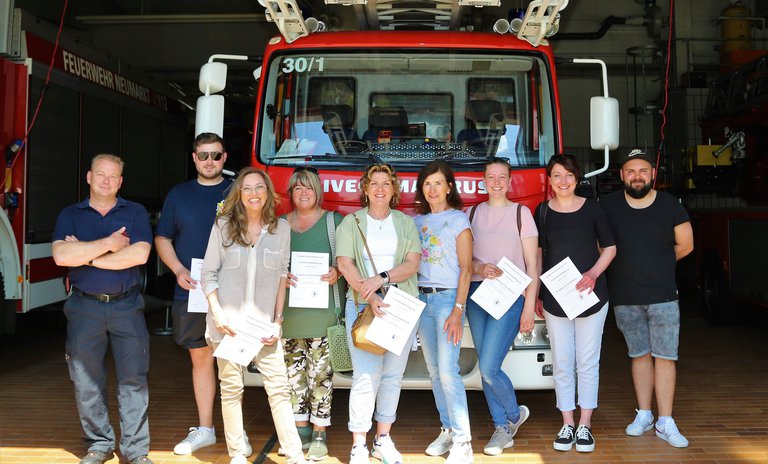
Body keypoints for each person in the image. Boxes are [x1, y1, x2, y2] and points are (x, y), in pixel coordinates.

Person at [200, 167, 308, 464]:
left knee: (279, 389)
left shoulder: (281, 229)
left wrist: (277, 321)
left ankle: (295, 455)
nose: (253, 194)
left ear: (268, 193)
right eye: (247, 188)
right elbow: (208, 274)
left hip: (263, 326)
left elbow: (282, 277)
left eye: (259, 188)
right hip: (229, 325)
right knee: (231, 389)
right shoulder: (222, 226)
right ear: (239, 193)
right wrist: (218, 314)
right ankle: (236, 454)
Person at [52, 154, 154, 464]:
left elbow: (139, 254)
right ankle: (99, 444)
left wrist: (86, 255)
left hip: (127, 306)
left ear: (121, 182)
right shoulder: (70, 214)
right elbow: (60, 256)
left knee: (134, 380)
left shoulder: (134, 212)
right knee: (85, 380)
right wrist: (110, 242)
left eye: (113, 176)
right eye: (101, 174)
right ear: (89, 177)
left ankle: (136, 453)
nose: (106, 181)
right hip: (84, 307)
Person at [601, 149, 694, 448]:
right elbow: (598, 245)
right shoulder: (609, 206)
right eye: (631, 171)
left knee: (666, 357)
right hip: (625, 296)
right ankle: (644, 414)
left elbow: (686, 245)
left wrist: (659, 264)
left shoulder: (670, 206)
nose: (637, 176)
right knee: (638, 355)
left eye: (643, 170)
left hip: (663, 295)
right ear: (621, 175)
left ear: (652, 174)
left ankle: (666, 421)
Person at [154, 132, 233, 456]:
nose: (210, 161)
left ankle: (235, 433)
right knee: (201, 358)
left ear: (225, 157)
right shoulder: (178, 195)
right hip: (192, 291)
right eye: (204, 156)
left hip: (232, 292)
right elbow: (162, 238)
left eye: (216, 155)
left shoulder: (239, 191)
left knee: (232, 363)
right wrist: (178, 270)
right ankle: (206, 429)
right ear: (194, 158)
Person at [336, 164, 421, 464]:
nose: (380, 189)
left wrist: (382, 279)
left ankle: (382, 440)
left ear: (394, 189)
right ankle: (359, 443)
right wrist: (368, 294)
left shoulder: (405, 223)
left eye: (386, 183)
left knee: (392, 375)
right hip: (361, 306)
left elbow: (412, 264)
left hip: (400, 306)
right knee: (366, 375)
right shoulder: (351, 222)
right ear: (365, 188)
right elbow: (345, 264)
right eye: (374, 183)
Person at [534, 154, 616, 454]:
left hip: (592, 297)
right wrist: (539, 293)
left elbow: (610, 247)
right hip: (556, 299)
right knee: (563, 362)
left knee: (587, 362)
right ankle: (567, 422)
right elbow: (540, 255)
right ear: (550, 180)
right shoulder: (542, 211)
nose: (563, 181)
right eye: (557, 175)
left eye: (568, 175)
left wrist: (593, 274)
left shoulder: (593, 209)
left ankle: (585, 424)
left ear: (577, 177)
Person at [464, 158, 538, 456]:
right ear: (483, 181)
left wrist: (529, 306)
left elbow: (532, 265)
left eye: (502, 177)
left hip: (510, 297)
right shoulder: (471, 213)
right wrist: (481, 267)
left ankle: (514, 413)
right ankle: (503, 428)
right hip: (477, 295)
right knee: (485, 369)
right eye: (491, 177)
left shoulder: (522, 214)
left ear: (509, 182)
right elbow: (466, 261)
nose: (496, 182)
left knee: (490, 368)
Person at [282, 166, 345, 460]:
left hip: (323, 314)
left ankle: (319, 433)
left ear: (317, 191)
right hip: (288, 313)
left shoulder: (335, 222)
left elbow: (349, 261)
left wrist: (337, 272)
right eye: (297, 187)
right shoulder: (279, 224)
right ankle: (300, 431)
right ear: (291, 193)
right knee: (292, 376)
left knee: (320, 377)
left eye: (308, 187)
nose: (303, 192)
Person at [414, 161, 474, 464]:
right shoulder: (417, 221)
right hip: (422, 302)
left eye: (438, 183)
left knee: (449, 371)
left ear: (449, 187)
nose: (433, 189)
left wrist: (457, 310)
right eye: (427, 184)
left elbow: (466, 269)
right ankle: (448, 429)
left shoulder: (459, 220)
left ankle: (464, 440)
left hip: (449, 300)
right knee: (434, 371)